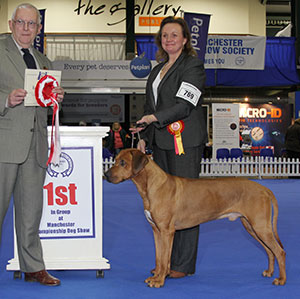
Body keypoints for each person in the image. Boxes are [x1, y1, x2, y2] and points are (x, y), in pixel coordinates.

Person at [131, 16, 207, 278]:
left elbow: (185, 105)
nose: (169, 39)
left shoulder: (193, 66)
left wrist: (154, 118)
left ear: (185, 40)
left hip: (183, 142)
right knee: (164, 208)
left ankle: (182, 265)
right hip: (159, 143)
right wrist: (144, 134)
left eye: (174, 35)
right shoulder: (156, 70)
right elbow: (149, 108)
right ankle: (165, 263)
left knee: (187, 205)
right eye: (164, 35)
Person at [0, 3, 64, 286]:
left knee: (31, 212)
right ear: (11, 24)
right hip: (4, 141)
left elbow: (42, 104)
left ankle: (33, 266)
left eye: (32, 24)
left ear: (39, 29)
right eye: (21, 23)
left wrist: (56, 97)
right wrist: (5, 99)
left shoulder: (43, 59)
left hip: (34, 145)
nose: (27, 29)